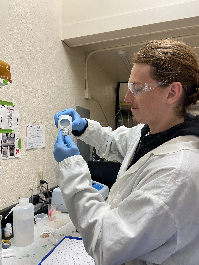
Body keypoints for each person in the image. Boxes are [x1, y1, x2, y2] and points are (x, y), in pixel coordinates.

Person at [53, 38, 199, 265]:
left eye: (137, 89)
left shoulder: (176, 173)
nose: (127, 98)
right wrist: (84, 127)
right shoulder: (150, 132)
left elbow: (104, 244)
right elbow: (113, 142)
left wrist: (72, 168)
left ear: (172, 93)